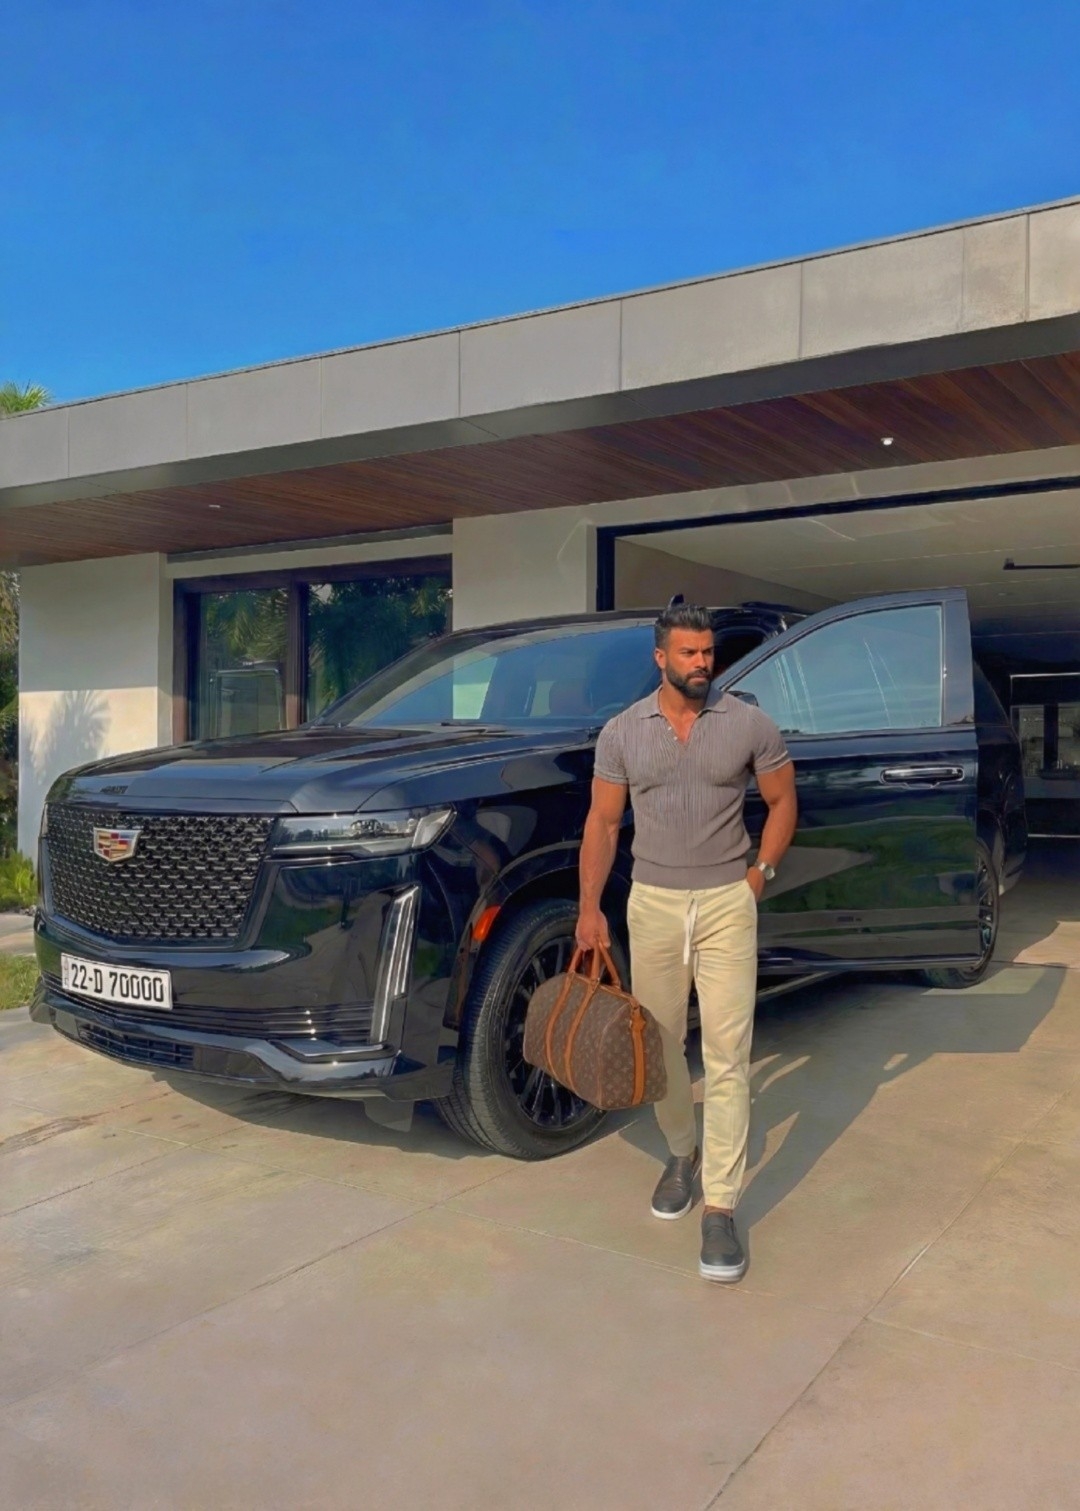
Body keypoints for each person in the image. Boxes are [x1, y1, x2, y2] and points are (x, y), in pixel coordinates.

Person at [576, 601, 797, 1283]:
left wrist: (758, 876)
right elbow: (603, 823)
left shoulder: (748, 723)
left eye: (708, 652)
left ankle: (721, 1206)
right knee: (662, 1046)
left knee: (728, 1056)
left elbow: (783, 801)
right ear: (661, 658)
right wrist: (589, 907)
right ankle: (682, 1151)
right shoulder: (623, 732)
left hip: (728, 901)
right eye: (690, 653)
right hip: (654, 904)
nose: (703, 663)